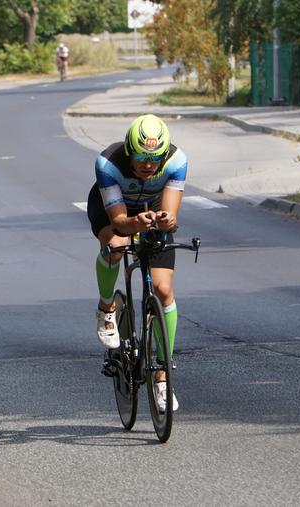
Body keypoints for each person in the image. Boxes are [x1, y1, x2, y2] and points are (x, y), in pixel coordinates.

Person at [87, 114, 187, 411]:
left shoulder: (177, 161)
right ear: (130, 150)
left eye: (154, 157)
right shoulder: (108, 163)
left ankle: (162, 373)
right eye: (142, 156)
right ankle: (106, 309)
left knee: (163, 290)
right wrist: (133, 224)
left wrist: (165, 221)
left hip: (151, 209)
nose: (148, 164)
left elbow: (170, 217)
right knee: (116, 247)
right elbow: (118, 221)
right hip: (114, 209)